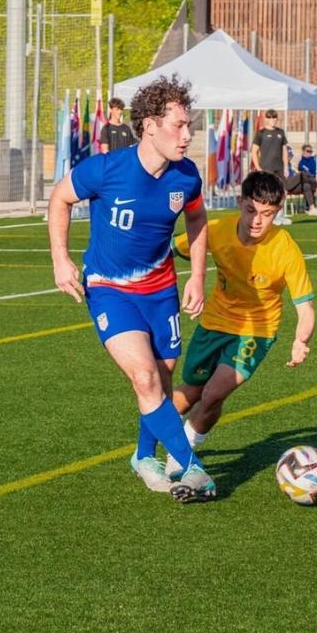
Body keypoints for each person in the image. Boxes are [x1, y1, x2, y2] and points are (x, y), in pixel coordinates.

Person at [48, 74, 214, 503]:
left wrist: (197, 275)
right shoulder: (106, 169)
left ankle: (144, 456)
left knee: (161, 376)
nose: (187, 134)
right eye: (178, 125)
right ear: (149, 126)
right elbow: (60, 199)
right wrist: (60, 259)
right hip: (108, 287)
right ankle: (193, 468)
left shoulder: (186, 177)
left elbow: (196, 220)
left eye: (189, 124)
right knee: (143, 377)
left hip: (161, 289)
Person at [164, 170, 316, 477]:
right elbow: (171, 250)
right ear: (240, 202)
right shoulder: (217, 230)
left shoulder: (285, 249)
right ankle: (148, 440)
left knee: (213, 395)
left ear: (278, 211)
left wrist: (301, 340)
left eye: (267, 214)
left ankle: (181, 455)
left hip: (255, 332)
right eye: (251, 210)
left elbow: (306, 307)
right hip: (213, 324)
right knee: (191, 392)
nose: (257, 221)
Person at [251, 108, 291, 226]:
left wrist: (286, 167)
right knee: (269, 193)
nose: (273, 120)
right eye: (270, 117)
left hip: (279, 168)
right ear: (266, 119)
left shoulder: (281, 132)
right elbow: (254, 151)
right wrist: (258, 167)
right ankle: (270, 216)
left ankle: (280, 215)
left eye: (274, 117)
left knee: (283, 192)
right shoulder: (261, 133)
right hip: (266, 168)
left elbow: (284, 150)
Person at [284, 144, 317, 217]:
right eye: (289, 155)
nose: (290, 157)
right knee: (302, 174)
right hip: (286, 185)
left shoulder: (290, 164)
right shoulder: (280, 164)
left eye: (290, 155)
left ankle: (312, 208)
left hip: (293, 185)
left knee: (306, 186)